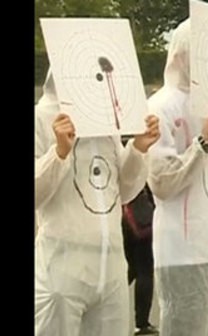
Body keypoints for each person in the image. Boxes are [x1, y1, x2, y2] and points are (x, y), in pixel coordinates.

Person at [35, 70, 160, 336]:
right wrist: (58, 153)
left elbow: (120, 191)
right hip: (62, 265)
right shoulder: (41, 117)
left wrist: (138, 148)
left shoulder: (106, 120)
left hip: (112, 265)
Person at [146, 18, 208, 336]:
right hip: (183, 253)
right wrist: (203, 142)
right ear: (181, 55)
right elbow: (161, 183)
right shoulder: (159, 106)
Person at [120, 180, 158, 335]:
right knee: (145, 269)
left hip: (125, 214)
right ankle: (142, 323)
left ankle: (102, 299)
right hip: (139, 216)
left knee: (133, 267)